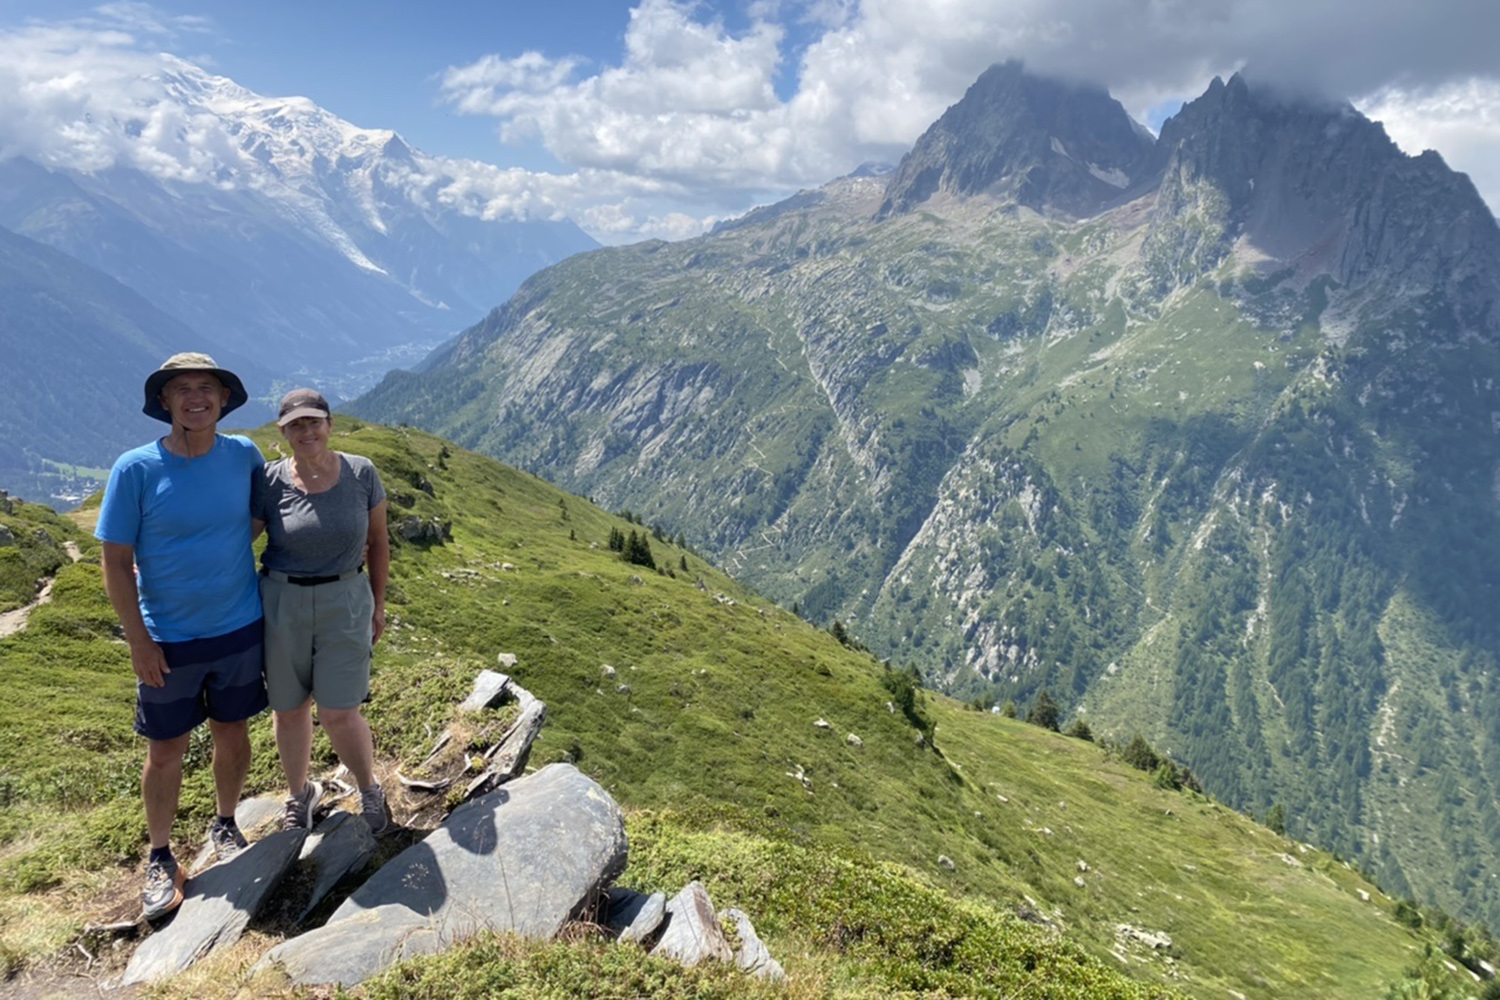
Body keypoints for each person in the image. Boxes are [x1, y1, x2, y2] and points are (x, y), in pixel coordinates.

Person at [96, 353, 267, 921]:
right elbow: (116, 562)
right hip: (168, 638)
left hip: (239, 627)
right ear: (165, 402)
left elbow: (260, 516)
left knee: (232, 731)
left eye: (206, 388)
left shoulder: (243, 454)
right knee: (165, 749)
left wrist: (226, 550)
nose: (196, 398)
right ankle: (161, 855)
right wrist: (140, 642)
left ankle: (224, 824)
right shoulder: (136, 469)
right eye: (182, 390)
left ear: (223, 399)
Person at [251, 388, 392, 836]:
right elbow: (236, 541)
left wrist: (378, 602)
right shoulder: (269, 481)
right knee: (289, 708)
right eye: (296, 425)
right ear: (283, 432)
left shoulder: (362, 474)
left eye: (314, 422)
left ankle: (369, 789)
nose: (306, 431)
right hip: (281, 601)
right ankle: (299, 796)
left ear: (330, 424)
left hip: (345, 598)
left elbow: (379, 541)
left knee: (339, 710)